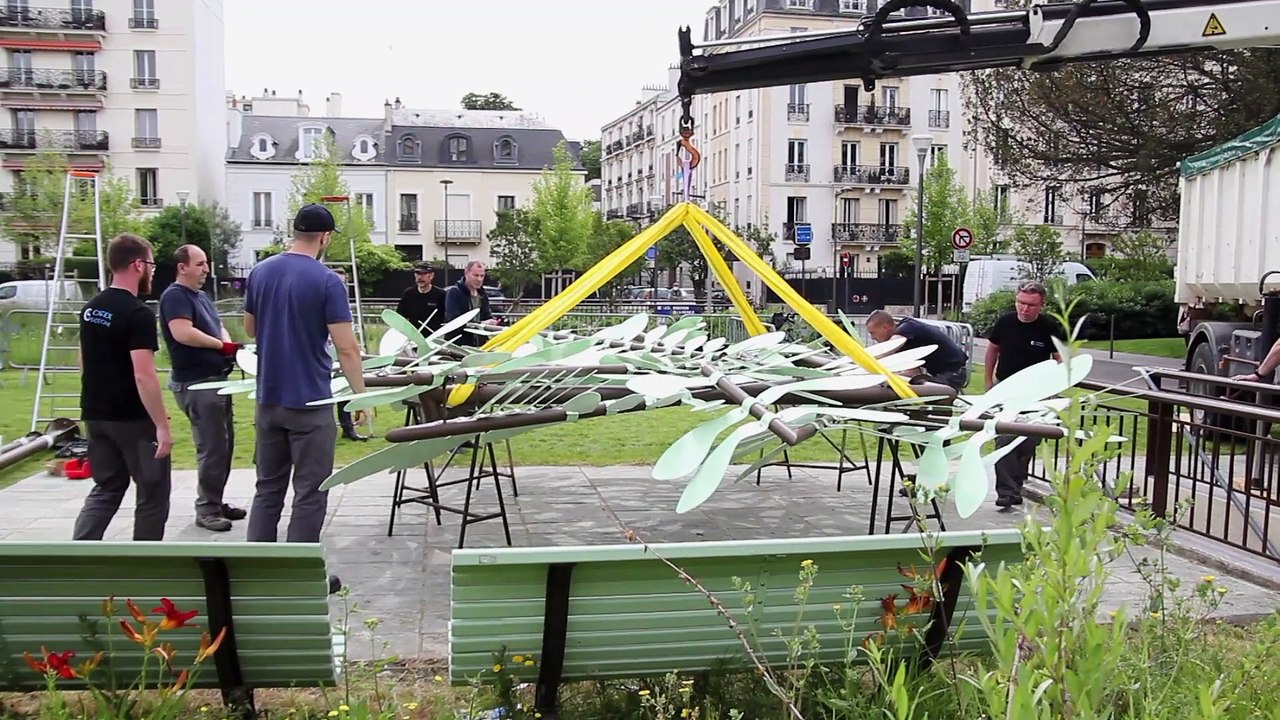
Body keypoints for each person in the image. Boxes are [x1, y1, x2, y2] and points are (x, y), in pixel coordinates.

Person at [243, 204, 369, 544]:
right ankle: (298, 567)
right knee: (310, 492)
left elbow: (250, 329)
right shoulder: (328, 281)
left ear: (294, 232)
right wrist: (361, 397)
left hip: (269, 399)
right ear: (325, 237)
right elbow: (347, 348)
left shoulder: (260, 272)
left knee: (268, 488)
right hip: (310, 402)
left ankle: (255, 563)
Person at [72, 234, 173, 541]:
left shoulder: (91, 308)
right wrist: (161, 425)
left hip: (96, 415)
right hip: (132, 420)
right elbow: (144, 375)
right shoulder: (137, 313)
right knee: (152, 493)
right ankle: (144, 562)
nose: (152, 271)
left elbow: (83, 360)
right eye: (151, 264)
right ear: (138, 264)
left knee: (107, 487)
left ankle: (80, 552)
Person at [158, 244, 246, 532]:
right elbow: (183, 333)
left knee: (224, 445)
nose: (206, 269)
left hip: (216, 380)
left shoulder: (201, 297)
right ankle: (206, 509)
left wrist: (228, 346)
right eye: (199, 264)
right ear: (182, 267)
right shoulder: (175, 296)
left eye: (206, 263)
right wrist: (221, 346)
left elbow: (217, 326)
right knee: (211, 447)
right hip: (196, 383)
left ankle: (215, 501)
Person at [983, 281, 1063, 509]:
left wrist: (1054, 389)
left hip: (1036, 394)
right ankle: (1007, 492)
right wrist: (989, 383)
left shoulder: (1049, 327)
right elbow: (992, 349)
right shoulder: (1005, 322)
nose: (1025, 309)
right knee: (1005, 437)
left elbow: (1060, 359)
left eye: (1031, 305)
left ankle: (1016, 485)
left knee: (1027, 442)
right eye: (1021, 303)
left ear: (1041, 305)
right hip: (1006, 390)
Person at [864, 310, 970, 391]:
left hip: (953, 372)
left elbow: (887, 348)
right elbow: (913, 372)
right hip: (944, 373)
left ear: (885, 327)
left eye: (872, 333)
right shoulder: (903, 342)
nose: (872, 337)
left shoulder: (908, 327)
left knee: (932, 396)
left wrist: (864, 364)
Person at [330, 266, 367, 442]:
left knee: (344, 390)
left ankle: (348, 428)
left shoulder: (344, 305)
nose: (342, 286)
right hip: (327, 353)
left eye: (344, 282)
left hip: (340, 354)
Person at [442, 260, 500, 347]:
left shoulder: (482, 294)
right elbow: (454, 321)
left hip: (479, 344)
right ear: (466, 273)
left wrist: (492, 322)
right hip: (458, 345)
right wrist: (481, 323)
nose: (479, 279)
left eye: (482, 276)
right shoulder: (454, 292)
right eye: (475, 275)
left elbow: (487, 315)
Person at [396, 261, 446, 334]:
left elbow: (446, 318)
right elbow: (400, 317)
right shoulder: (408, 294)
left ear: (431, 276)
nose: (419, 277)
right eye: (417, 274)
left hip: (433, 337)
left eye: (423, 274)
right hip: (413, 336)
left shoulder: (441, 294)